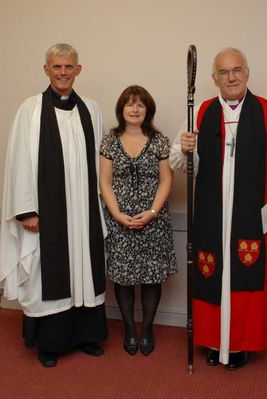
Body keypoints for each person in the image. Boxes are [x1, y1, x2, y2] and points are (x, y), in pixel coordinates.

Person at [169, 48, 267, 370]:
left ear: (247, 73)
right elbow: (184, 164)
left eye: (237, 70)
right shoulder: (201, 112)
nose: (232, 77)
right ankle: (216, 343)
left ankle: (239, 345)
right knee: (213, 273)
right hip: (212, 214)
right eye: (224, 72)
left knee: (245, 275)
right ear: (214, 78)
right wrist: (185, 149)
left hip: (250, 212)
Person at [0, 43, 108, 367]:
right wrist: (26, 210)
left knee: (85, 271)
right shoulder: (30, 110)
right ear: (46, 69)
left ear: (78, 69)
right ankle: (50, 343)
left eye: (68, 66)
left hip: (84, 209)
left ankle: (86, 336)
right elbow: (19, 161)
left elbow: (102, 161)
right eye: (56, 67)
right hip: (48, 214)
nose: (63, 72)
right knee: (48, 274)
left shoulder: (92, 108)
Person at [99, 85, 177, 356]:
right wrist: (119, 215)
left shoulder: (160, 141)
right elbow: (105, 183)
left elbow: (167, 179)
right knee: (123, 278)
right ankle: (130, 329)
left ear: (148, 110)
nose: (134, 109)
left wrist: (152, 212)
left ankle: (148, 329)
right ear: (122, 109)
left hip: (153, 219)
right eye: (129, 104)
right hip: (119, 219)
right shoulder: (110, 140)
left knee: (151, 277)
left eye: (140, 105)